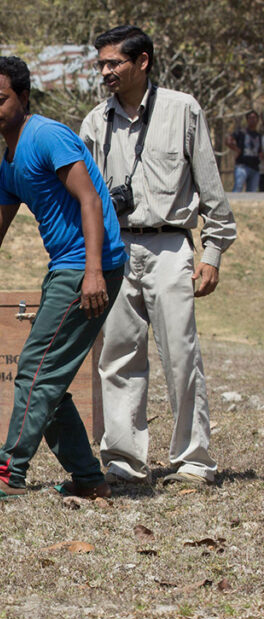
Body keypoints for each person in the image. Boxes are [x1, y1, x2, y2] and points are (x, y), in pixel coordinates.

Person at [0, 56, 128, 501]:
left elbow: (91, 201)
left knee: (36, 373)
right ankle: (89, 479)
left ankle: (9, 472)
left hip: (87, 267)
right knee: (49, 378)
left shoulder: (47, 137)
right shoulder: (11, 162)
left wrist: (94, 273)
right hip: (67, 267)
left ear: (23, 97)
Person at [80, 26, 237, 487]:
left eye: (114, 63)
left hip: (171, 243)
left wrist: (212, 253)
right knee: (117, 356)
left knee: (181, 355)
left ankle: (194, 461)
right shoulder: (94, 123)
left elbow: (212, 190)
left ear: (142, 61)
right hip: (115, 248)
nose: (106, 71)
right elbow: (85, 200)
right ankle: (125, 462)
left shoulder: (182, 109)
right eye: (101, 64)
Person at [226, 110, 261, 193]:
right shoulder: (241, 132)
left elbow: (260, 151)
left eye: (254, 118)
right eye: (250, 118)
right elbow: (228, 140)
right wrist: (236, 149)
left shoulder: (259, 135)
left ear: (257, 120)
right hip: (242, 166)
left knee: (252, 192)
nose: (252, 120)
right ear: (247, 120)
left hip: (255, 167)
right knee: (238, 187)